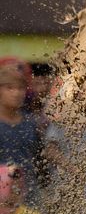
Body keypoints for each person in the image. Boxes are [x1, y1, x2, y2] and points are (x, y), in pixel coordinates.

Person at [0, 62, 42, 202]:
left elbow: (40, 155)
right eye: (9, 88)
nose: (16, 93)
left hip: (28, 196)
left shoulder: (30, 123)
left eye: (20, 88)